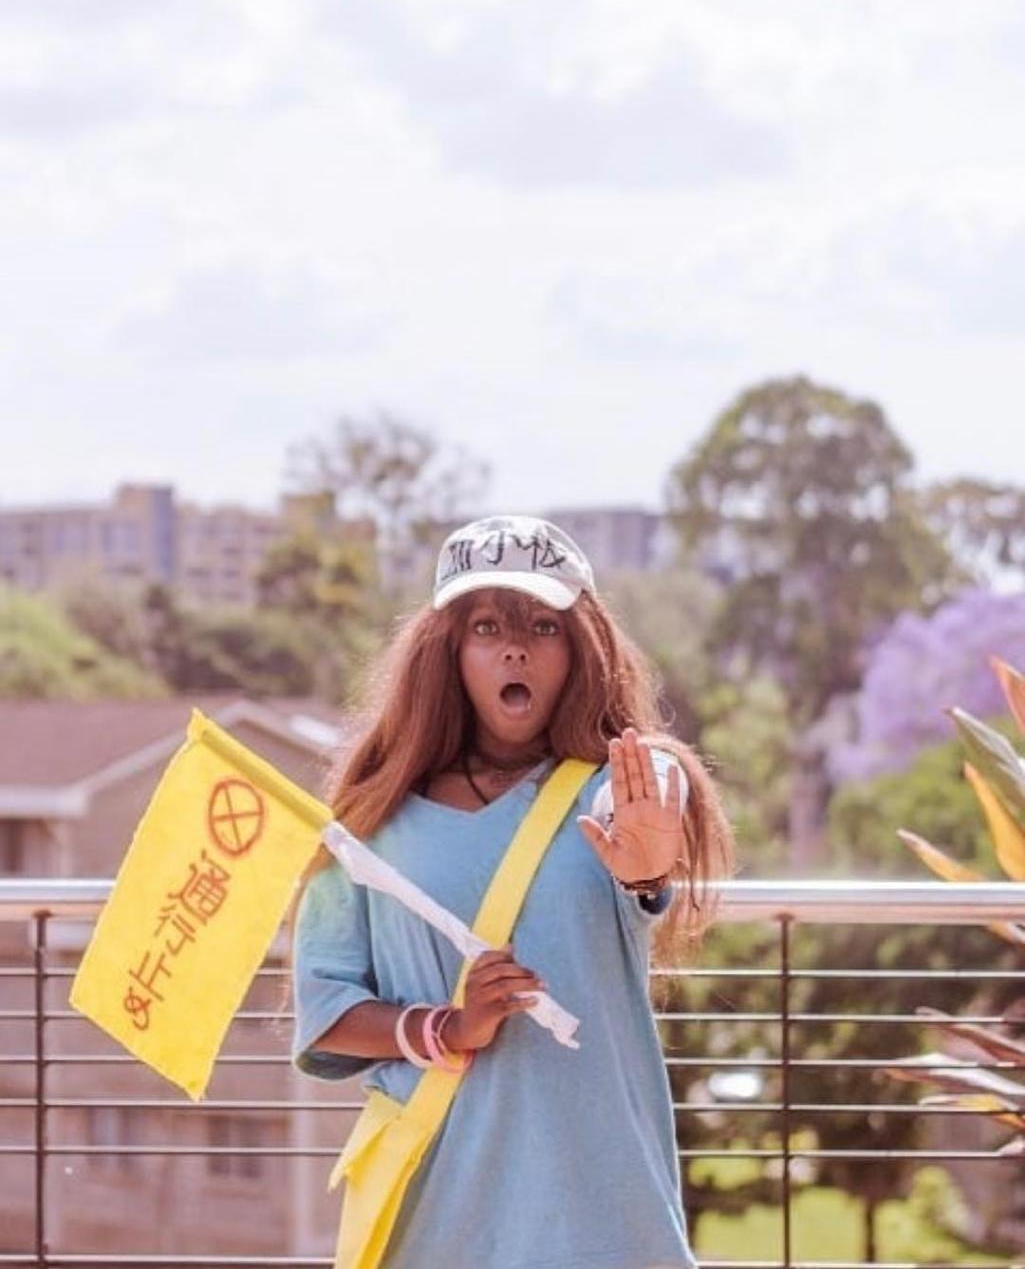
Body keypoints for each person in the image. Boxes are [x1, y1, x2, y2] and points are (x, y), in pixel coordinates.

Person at [285, 514, 736, 1269]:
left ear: (583, 648)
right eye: (486, 626)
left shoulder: (619, 785)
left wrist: (650, 865)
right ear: (448, 652)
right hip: (436, 1208)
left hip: (598, 1204)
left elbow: (646, 810)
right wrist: (447, 1028)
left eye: (542, 626)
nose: (514, 646)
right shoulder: (368, 815)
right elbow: (326, 1012)